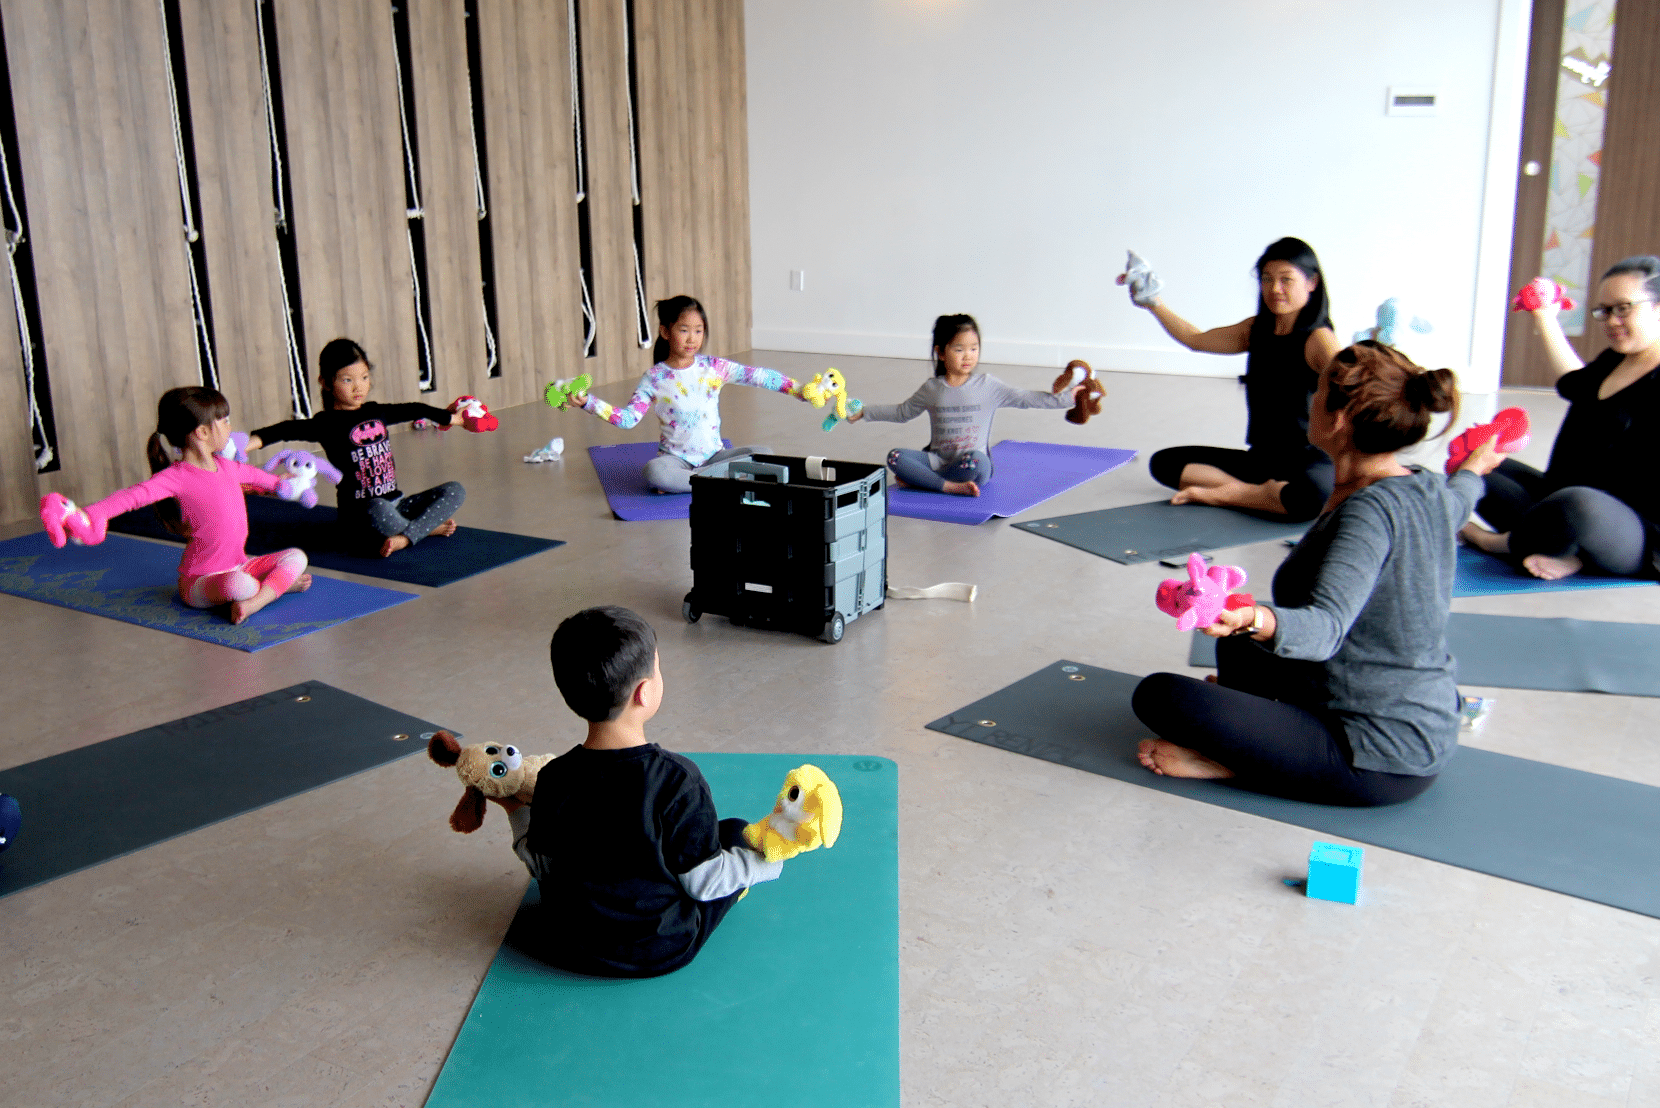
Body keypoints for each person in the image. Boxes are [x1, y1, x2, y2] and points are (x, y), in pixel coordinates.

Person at [1130, 342, 1496, 807]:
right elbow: (1461, 496)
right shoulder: (1423, 483)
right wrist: (1476, 468)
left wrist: (1251, 617)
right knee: (1239, 642)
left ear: (1338, 419)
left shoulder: (1369, 513)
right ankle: (1257, 732)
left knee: (1161, 695)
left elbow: (1325, 628)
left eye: (1318, 391)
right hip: (1385, 705)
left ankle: (1230, 760)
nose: (1310, 401)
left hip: (1377, 755)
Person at [501, 606, 782, 977]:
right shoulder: (679, 780)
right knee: (736, 833)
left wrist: (512, 807)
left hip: (570, 944)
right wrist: (771, 863)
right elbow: (704, 883)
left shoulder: (555, 777)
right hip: (659, 949)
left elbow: (539, 864)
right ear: (644, 692)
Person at [1460, 255, 1660, 580]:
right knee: (1477, 465)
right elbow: (1574, 383)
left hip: (1629, 528)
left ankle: (1494, 542)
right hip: (1561, 500)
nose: (1611, 320)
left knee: (1577, 505)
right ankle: (1560, 544)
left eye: (1623, 308)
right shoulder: (1616, 360)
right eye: (1604, 311)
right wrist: (1544, 316)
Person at [39, 386, 311, 624]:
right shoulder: (176, 477)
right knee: (239, 585)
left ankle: (257, 598)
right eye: (225, 421)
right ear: (202, 432)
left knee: (297, 556)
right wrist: (89, 514)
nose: (231, 428)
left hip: (240, 564)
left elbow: (266, 481)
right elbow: (132, 497)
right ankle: (270, 591)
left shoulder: (229, 467)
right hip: (200, 581)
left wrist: (287, 484)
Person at [1125, 238, 1344, 520]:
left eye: (1286, 280)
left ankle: (1230, 494)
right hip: (1261, 459)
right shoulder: (1256, 329)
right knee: (1164, 463)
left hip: (1307, 460)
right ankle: (1253, 495)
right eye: (1267, 279)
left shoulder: (1319, 340)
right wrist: (1152, 302)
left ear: (1312, 283)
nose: (1275, 289)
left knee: (1313, 495)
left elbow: (1352, 388)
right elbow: (1196, 339)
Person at [562, 295, 816, 494]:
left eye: (698, 330)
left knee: (764, 454)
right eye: (684, 330)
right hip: (676, 461)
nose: (692, 338)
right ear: (665, 332)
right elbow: (628, 419)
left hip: (715, 456)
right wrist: (588, 402)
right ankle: (718, 480)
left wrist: (799, 390)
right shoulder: (654, 378)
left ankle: (700, 482)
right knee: (654, 473)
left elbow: (759, 376)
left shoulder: (714, 368)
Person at [247, 338, 466, 558]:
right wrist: (248, 444)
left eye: (364, 378)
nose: (358, 386)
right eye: (347, 380)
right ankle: (420, 530)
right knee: (378, 507)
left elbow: (416, 408)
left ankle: (406, 534)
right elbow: (283, 430)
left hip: (396, 505)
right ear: (325, 382)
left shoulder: (376, 412)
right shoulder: (327, 424)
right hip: (362, 517)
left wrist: (450, 418)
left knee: (455, 490)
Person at [849, 313, 1080, 496]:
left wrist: (1068, 399)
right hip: (938, 460)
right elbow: (902, 412)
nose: (968, 356)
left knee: (979, 466)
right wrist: (864, 412)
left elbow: (1025, 399)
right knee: (895, 457)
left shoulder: (987, 386)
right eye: (959, 349)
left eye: (973, 349)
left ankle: (924, 481)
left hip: (970, 463)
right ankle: (948, 487)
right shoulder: (932, 388)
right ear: (941, 352)